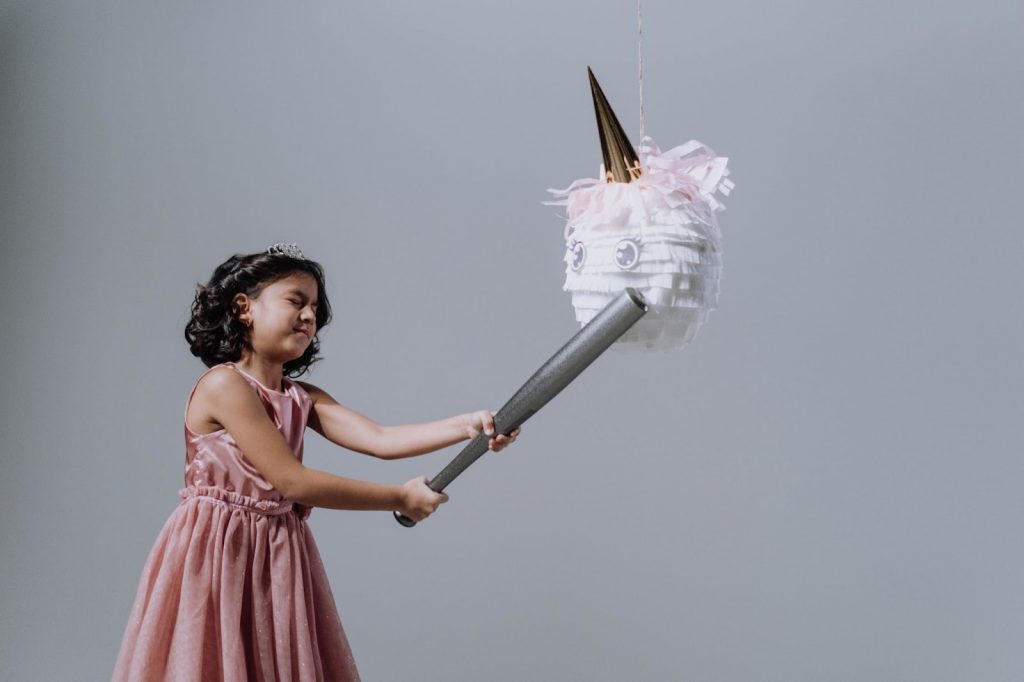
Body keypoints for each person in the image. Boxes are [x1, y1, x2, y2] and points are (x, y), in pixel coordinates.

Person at [112, 243, 520, 681]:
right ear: (244, 308)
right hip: (219, 550)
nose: (309, 316)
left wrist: (471, 426)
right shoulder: (224, 386)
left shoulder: (300, 398)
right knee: (217, 660)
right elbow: (293, 482)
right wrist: (399, 497)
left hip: (276, 550)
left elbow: (379, 439)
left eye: (315, 308)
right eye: (296, 300)